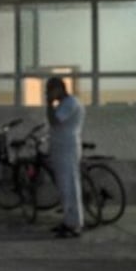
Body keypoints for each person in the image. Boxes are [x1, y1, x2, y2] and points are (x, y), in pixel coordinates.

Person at [46, 76, 86, 238]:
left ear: (59, 89)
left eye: (50, 90)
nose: (48, 94)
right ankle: (67, 220)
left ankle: (75, 224)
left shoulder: (71, 103)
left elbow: (54, 121)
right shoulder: (64, 104)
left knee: (70, 186)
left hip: (67, 149)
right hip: (61, 148)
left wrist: (49, 104)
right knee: (64, 187)